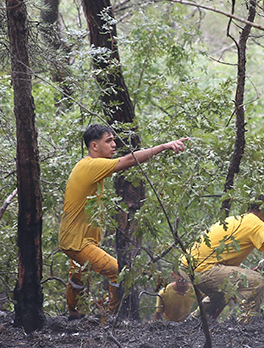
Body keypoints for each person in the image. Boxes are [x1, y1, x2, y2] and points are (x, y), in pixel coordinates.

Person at [59, 124, 186, 319]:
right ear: (94, 146)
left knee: (78, 275)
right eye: (108, 141)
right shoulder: (90, 165)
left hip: (78, 240)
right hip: (77, 242)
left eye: (113, 140)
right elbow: (128, 160)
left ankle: (74, 314)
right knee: (118, 272)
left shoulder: (89, 167)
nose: (114, 145)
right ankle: (112, 319)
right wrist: (163, 146)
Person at [155, 202, 264, 322]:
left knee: (226, 289)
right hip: (203, 269)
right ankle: (248, 325)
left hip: (186, 267)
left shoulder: (234, 220)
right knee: (258, 281)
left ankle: (193, 321)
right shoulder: (257, 224)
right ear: (262, 208)